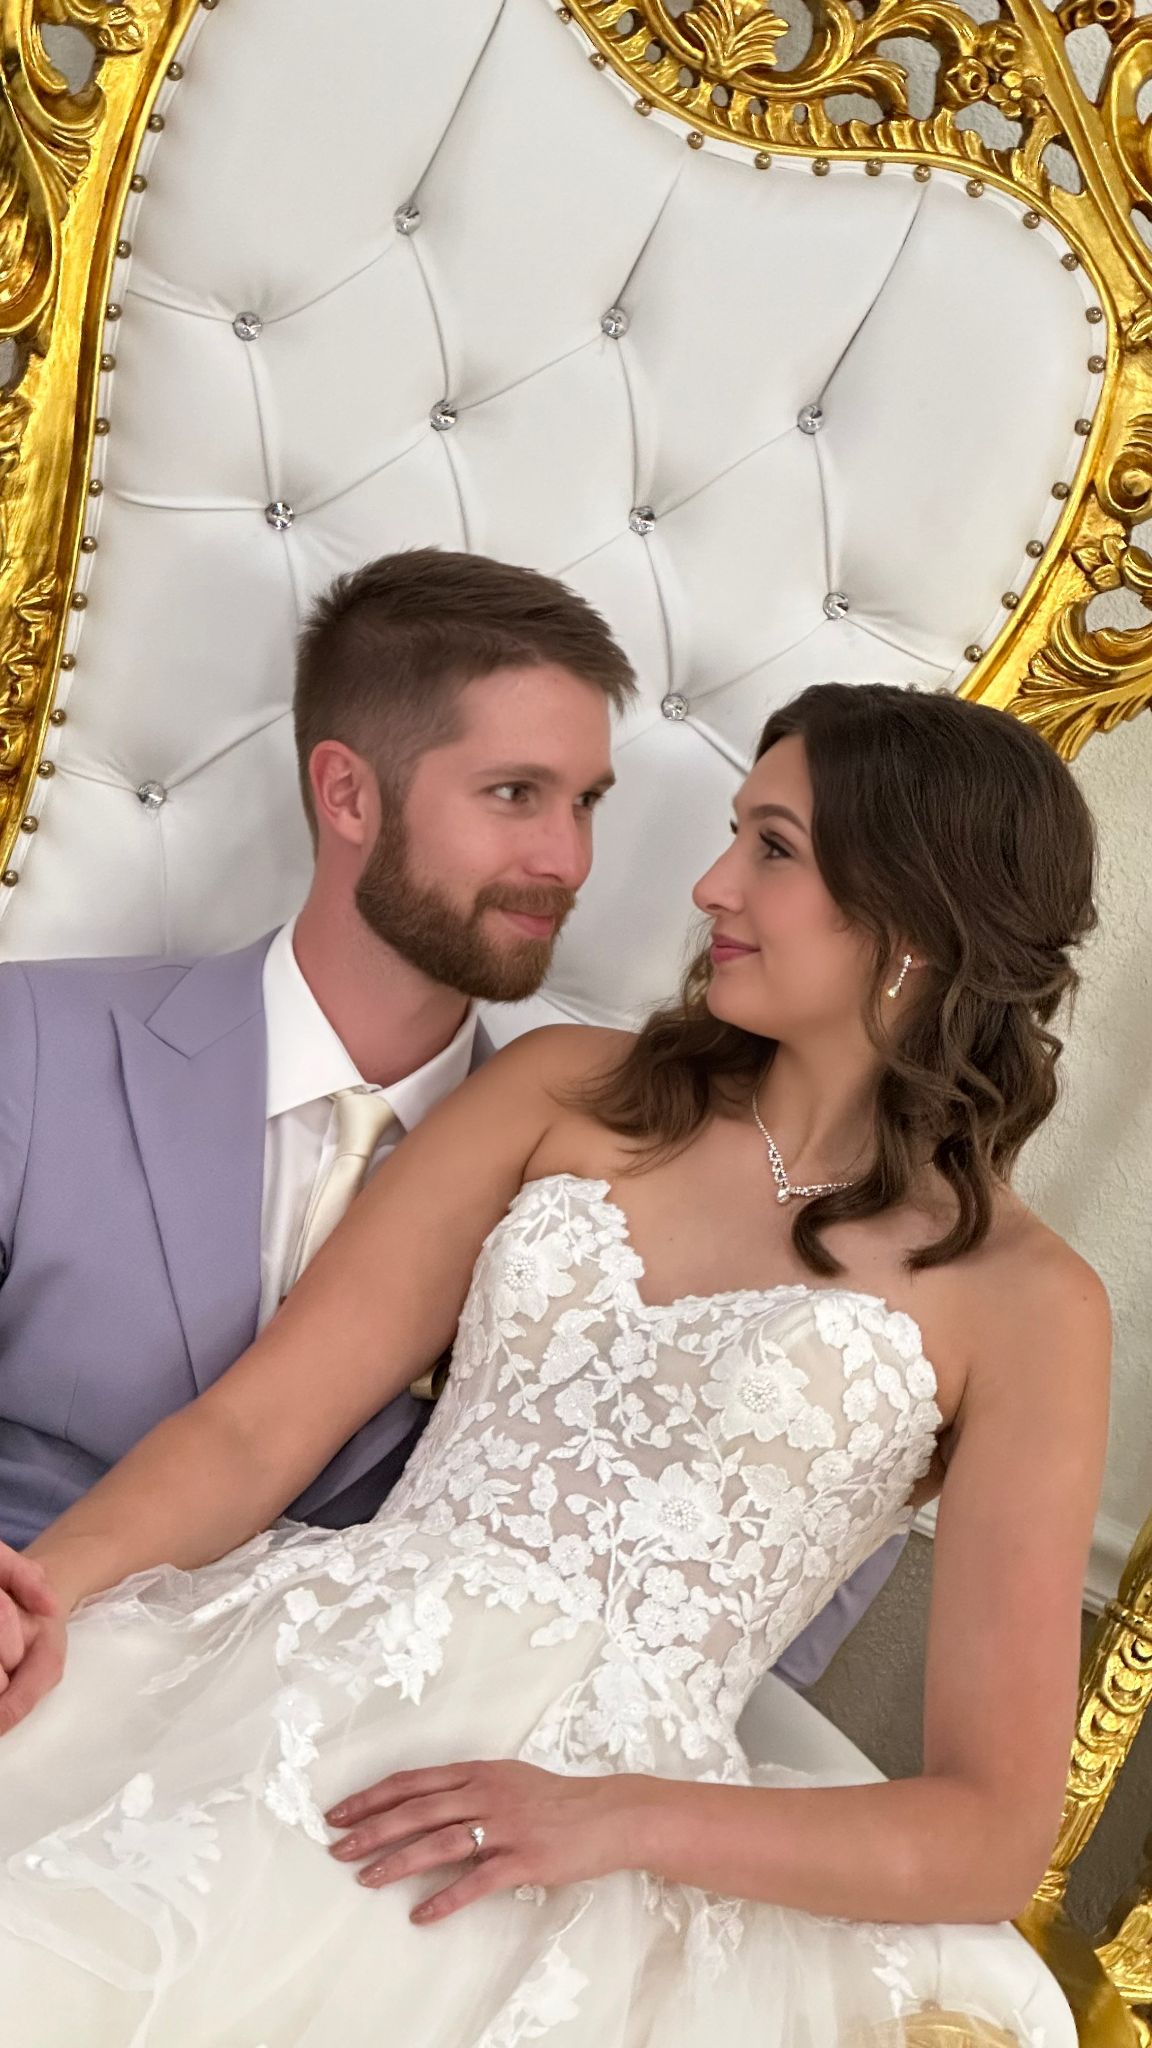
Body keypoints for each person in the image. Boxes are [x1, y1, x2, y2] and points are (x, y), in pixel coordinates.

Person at [0, 681, 1107, 2046]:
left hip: (604, 1835)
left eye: (773, 847)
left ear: (916, 922)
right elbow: (257, 1429)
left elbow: (990, 1831)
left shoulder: (1030, 1304)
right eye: (733, 834)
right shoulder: (566, 1090)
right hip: (308, 1674)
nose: (710, 885)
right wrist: (47, 1594)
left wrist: (612, 1815)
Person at [0, 546, 906, 1684]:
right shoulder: (31, 1043)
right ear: (347, 792)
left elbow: (742, 1612)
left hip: (347, 1759)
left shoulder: (589, 1187)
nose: (566, 858)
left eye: (586, 803)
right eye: (514, 794)